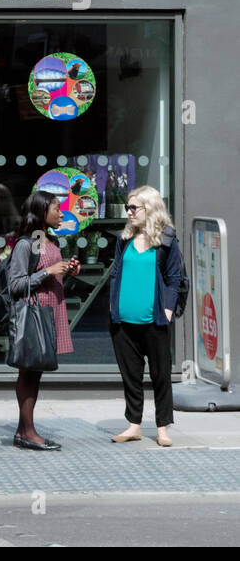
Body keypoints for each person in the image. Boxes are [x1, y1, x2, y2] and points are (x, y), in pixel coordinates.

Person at [108, 186, 181, 447]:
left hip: (155, 321)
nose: (129, 212)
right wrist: (112, 308)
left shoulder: (167, 240)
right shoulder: (124, 239)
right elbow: (116, 273)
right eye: (128, 208)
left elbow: (174, 279)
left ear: (150, 209)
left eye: (133, 208)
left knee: (160, 375)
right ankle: (134, 425)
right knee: (131, 376)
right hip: (123, 322)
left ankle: (162, 428)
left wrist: (168, 311)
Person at [7, 191, 80, 451]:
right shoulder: (27, 243)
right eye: (56, 208)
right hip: (36, 316)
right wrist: (49, 271)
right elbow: (15, 284)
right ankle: (28, 432)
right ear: (41, 212)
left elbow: (45, 272)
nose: (61, 213)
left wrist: (66, 270)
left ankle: (22, 431)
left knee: (34, 373)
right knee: (29, 372)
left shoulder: (44, 239)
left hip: (48, 314)